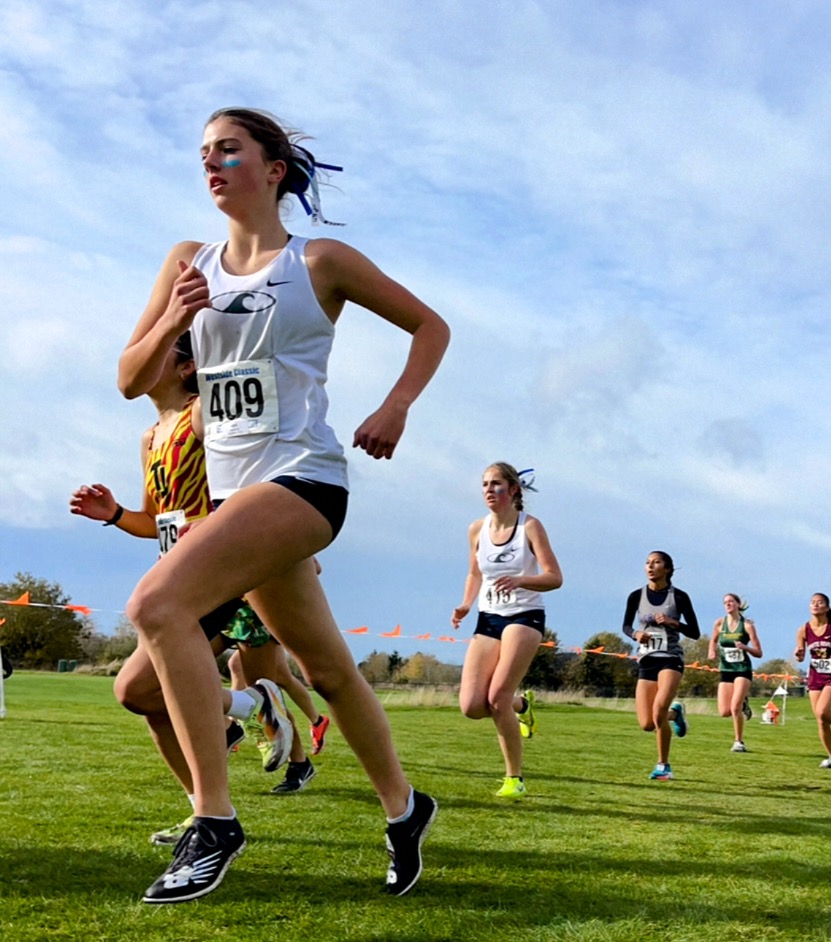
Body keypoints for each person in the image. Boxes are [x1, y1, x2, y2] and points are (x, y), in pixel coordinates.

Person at [116, 107, 450, 903]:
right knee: (331, 669)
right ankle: (406, 809)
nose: (211, 162)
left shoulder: (320, 261)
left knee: (155, 603)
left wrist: (396, 405)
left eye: (228, 149)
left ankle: (214, 820)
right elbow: (131, 378)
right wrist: (174, 315)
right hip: (233, 497)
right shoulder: (185, 261)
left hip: (303, 479)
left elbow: (428, 326)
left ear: (273, 169)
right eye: (203, 153)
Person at [70, 332, 313, 846]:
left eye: (158, 352)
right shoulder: (149, 436)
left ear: (184, 368)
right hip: (173, 574)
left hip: (214, 572)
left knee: (134, 688)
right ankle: (209, 797)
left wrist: (289, 542)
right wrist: (114, 515)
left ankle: (247, 726)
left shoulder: (202, 413)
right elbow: (157, 519)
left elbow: (252, 482)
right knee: (144, 696)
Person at [451, 463, 562, 799]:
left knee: (496, 698)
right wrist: (466, 603)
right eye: (484, 484)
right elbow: (474, 573)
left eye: (495, 483)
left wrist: (521, 580)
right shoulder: (476, 529)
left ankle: (514, 778)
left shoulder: (530, 527)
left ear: (513, 489)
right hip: (488, 617)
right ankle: (522, 705)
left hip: (525, 615)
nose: (488, 490)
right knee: (471, 706)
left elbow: (554, 577)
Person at [621, 551, 700, 781]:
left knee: (658, 712)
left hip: (670, 658)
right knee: (647, 724)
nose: (650, 566)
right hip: (647, 659)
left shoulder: (680, 597)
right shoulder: (636, 596)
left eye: (656, 562)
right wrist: (635, 634)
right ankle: (675, 714)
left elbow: (694, 632)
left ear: (667, 569)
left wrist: (673, 622)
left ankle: (663, 766)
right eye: (647, 562)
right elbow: (625, 626)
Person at [708, 594, 762, 753]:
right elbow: (713, 640)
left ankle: (739, 742)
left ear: (738, 604)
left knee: (734, 708)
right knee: (724, 711)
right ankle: (744, 703)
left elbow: (759, 652)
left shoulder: (747, 626)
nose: (728, 604)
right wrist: (711, 650)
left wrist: (745, 648)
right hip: (726, 669)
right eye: (725, 602)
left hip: (742, 670)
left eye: (731, 601)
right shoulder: (719, 623)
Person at [794, 593, 831, 768]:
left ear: (827, 608)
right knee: (820, 719)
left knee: (822, 712)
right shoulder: (803, 629)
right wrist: (798, 653)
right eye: (812, 602)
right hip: (815, 677)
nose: (815, 605)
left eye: (820, 602)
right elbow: (800, 654)